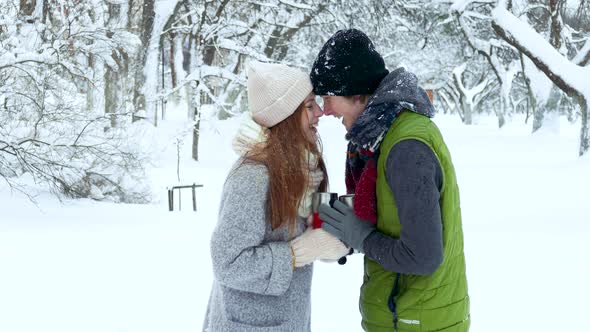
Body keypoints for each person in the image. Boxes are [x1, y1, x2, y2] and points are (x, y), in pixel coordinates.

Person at [312, 29, 470, 331]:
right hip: (407, 316)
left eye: (328, 97)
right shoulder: (383, 137)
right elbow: (392, 215)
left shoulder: (406, 148)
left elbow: (422, 257)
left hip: (418, 320)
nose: (325, 110)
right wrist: (339, 224)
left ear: (357, 93)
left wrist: (361, 236)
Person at [202, 61, 350, 331]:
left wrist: (330, 238)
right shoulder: (252, 177)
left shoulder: (305, 169)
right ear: (285, 117)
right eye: (308, 106)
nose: (319, 112)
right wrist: (298, 253)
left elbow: (300, 232)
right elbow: (228, 262)